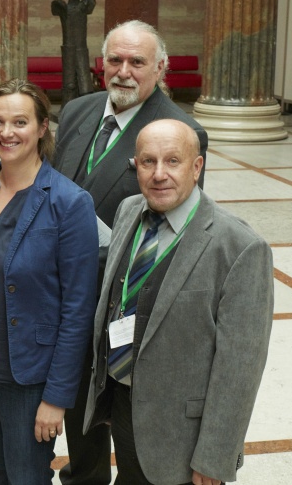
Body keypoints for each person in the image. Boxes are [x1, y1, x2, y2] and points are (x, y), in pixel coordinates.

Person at [53, 20, 209, 485]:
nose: (124, 71)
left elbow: (177, 231)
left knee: (128, 425)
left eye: (137, 62)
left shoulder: (181, 131)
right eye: (115, 60)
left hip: (123, 306)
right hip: (67, 299)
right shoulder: (79, 110)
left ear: (160, 68)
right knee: (78, 413)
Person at [84, 119, 273, 485]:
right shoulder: (128, 211)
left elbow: (240, 368)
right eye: (147, 161)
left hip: (183, 437)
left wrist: (215, 456)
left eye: (173, 161)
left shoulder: (239, 247)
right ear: (134, 165)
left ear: (197, 166)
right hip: (124, 407)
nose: (159, 174)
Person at [0, 79, 99, 484]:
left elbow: (78, 308)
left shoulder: (69, 202)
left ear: (43, 127)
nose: (6, 132)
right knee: (4, 468)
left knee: (27, 474)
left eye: (20, 122)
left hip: (29, 374)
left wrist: (57, 397)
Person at [52, 0, 97, 105]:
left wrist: (87, 0)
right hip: (68, 50)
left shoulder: (85, 4)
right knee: (69, 83)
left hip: (81, 49)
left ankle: (86, 108)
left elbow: (90, 6)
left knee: (85, 84)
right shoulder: (62, 7)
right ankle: (67, 109)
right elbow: (54, 9)